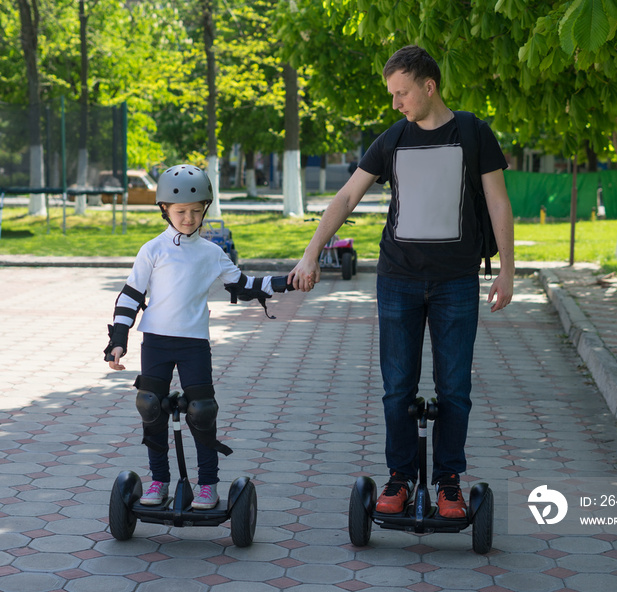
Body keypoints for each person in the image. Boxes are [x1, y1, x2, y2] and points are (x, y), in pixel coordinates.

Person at [289, 46, 514, 519]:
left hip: (456, 281)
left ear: (428, 87)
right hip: (398, 281)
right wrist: (312, 251)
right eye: (392, 94)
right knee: (397, 389)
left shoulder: (473, 133)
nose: (396, 104)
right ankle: (401, 478)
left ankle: (449, 481)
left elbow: (498, 203)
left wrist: (508, 272)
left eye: (402, 93)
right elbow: (348, 195)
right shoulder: (392, 139)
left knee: (454, 389)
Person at [104, 164, 289, 510]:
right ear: (165, 210)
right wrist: (118, 340)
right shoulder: (152, 250)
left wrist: (287, 281)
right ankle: (158, 480)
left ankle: (207, 485)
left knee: (202, 412)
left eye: (195, 211)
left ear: (205, 209)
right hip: (156, 341)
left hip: (194, 344)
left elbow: (245, 286)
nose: (188, 218)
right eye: (180, 211)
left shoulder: (211, 253)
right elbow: (130, 295)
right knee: (150, 407)